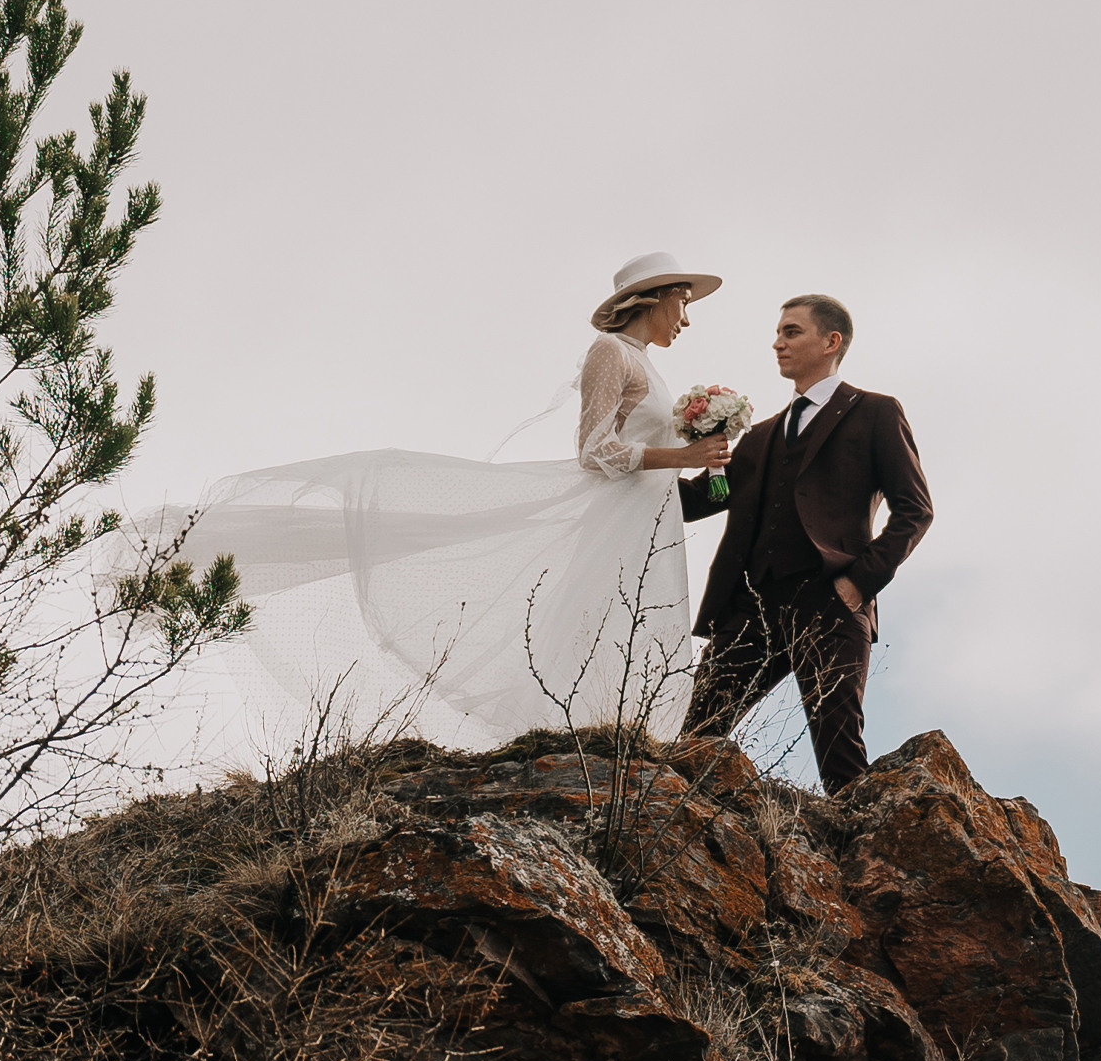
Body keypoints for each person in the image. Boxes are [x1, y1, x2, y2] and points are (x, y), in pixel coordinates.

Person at [175, 252, 730, 750]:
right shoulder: (611, 350)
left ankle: (624, 734)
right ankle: (578, 734)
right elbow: (594, 450)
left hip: (651, 518)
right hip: (616, 517)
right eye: (683, 301)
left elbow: (654, 455)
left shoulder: (653, 366)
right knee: (599, 613)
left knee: (638, 617)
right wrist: (684, 457)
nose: (686, 318)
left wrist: (711, 458)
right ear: (652, 297)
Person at [680, 293, 934, 791]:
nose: (778, 343)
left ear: (831, 341)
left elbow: (915, 510)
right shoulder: (759, 436)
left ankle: (854, 859)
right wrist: (652, 466)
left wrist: (858, 583)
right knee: (694, 739)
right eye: (778, 333)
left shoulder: (876, 413)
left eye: (791, 332)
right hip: (750, 606)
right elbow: (702, 500)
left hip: (831, 602)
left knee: (839, 755)